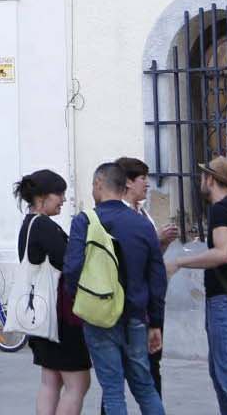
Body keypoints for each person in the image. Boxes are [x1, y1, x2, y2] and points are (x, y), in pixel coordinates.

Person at [65, 162, 166, 415]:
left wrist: (82, 299)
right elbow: (157, 277)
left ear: (99, 184)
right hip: (136, 316)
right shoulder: (142, 224)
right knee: (145, 387)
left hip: (100, 317)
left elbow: (72, 269)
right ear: (123, 187)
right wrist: (156, 322)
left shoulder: (85, 221)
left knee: (112, 391)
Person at [167, 157, 227, 415]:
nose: (201, 181)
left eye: (203, 176)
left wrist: (179, 262)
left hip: (225, 301)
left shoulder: (221, 210)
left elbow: (222, 253)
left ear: (211, 179)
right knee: (220, 372)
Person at [16, 168, 90, 415]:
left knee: (51, 381)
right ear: (42, 197)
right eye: (59, 194)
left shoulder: (28, 224)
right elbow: (69, 263)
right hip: (61, 317)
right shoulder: (44, 226)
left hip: (42, 314)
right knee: (78, 384)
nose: (64, 200)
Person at [111, 156, 179, 409]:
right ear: (128, 183)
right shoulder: (120, 215)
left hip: (149, 301)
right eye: (142, 179)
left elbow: (150, 259)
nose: (147, 184)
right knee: (118, 375)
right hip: (130, 304)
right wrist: (155, 239)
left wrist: (162, 244)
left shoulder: (144, 214)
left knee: (152, 367)